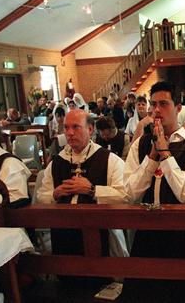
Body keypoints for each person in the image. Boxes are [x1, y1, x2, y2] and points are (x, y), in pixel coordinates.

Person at [121, 81, 185, 302]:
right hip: (146, 230)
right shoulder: (140, 145)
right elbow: (129, 193)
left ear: (178, 108)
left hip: (180, 231)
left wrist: (166, 155)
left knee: (178, 294)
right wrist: (151, 158)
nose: (156, 110)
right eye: (153, 104)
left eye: (164, 104)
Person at [36, 110, 129, 259]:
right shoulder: (56, 162)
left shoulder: (110, 160)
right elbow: (41, 196)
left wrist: (92, 190)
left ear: (90, 129)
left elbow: (124, 196)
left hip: (100, 231)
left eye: (75, 127)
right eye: (66, 128)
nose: (70, 133)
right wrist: (55, 193)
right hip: (64, 232)